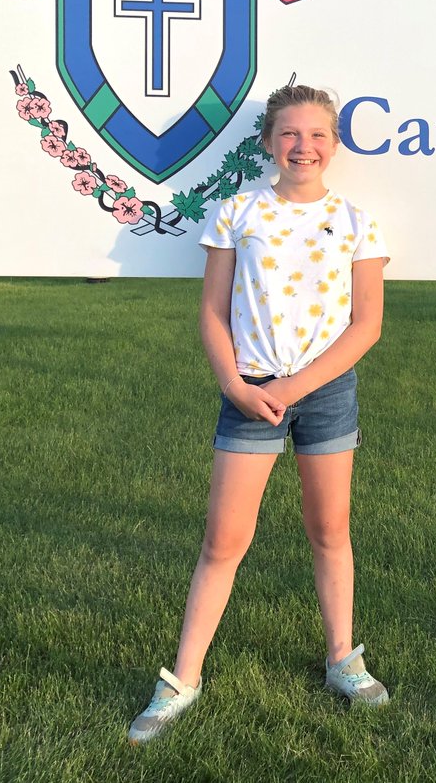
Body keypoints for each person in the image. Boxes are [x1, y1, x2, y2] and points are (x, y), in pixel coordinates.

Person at [129, 84, 391, 744]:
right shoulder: (236, 212)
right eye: (290, 134)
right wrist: (237, 384)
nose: (304, 146)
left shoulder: (358, 222)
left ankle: (342, 658)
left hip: (325, 394)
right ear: (269, 142)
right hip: (250, 393)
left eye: (317, 136)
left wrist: (299, 385)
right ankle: (181, 679)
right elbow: (213, 313)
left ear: (335, 144)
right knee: (224, 540)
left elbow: (366, 326)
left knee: (330, 529)